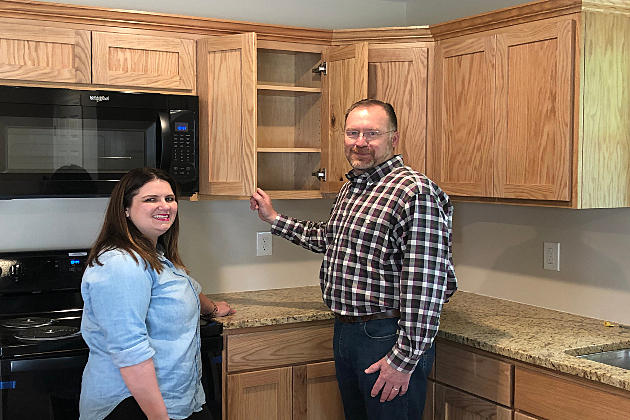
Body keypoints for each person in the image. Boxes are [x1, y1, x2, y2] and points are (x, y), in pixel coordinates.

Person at [250, 99, 457, 420]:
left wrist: (403, 359)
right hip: (347, 331)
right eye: (352, 133)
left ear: (394, 138)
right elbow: (330, 239)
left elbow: (426, 284)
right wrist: (274, 218)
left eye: (371, 133)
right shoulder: (353, 188)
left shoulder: (414, 192)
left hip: (388, 335)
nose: (360, 143)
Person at [80, 167, 234, 420]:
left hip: (177, 398)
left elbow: (185, 289)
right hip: (136, 405)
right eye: (150, 199)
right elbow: (130, 350)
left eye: (169, 199)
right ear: (125, 210)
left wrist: (213, 308)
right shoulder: (121, 263)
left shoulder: (156, 256)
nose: (164, 206)